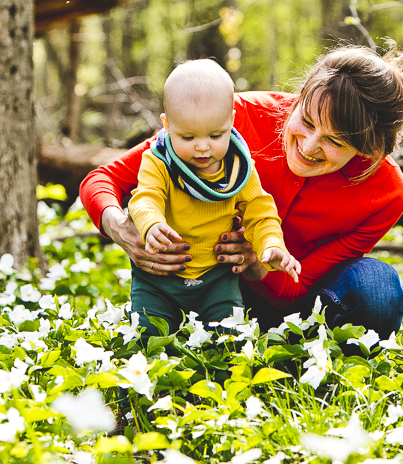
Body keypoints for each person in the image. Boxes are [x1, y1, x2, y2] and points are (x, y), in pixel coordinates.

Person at [81, 42, 403, 341]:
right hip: (203, 285)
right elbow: (102, 180)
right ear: (300, 97)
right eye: (305, 121)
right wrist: (120, 228)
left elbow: (297, 287)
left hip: (296, 306)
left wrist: (255, 265)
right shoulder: (229, 123)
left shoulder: (386, 193)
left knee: (377, 287)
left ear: (369, 150)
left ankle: (318, 365)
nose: (308, 146)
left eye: (333, 141)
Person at [127, 59, 301, 335]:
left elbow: (260, 210)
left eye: (216, 134)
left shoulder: (239, 168)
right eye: (187, 137)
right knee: (149, 335)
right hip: (158, 279)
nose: (202, 147)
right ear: (167, 124)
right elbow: (145, 197)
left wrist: (271, 244)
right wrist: (151, 223)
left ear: (231, 119)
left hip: (216, 279)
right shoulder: (158, 161)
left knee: (229, 338)